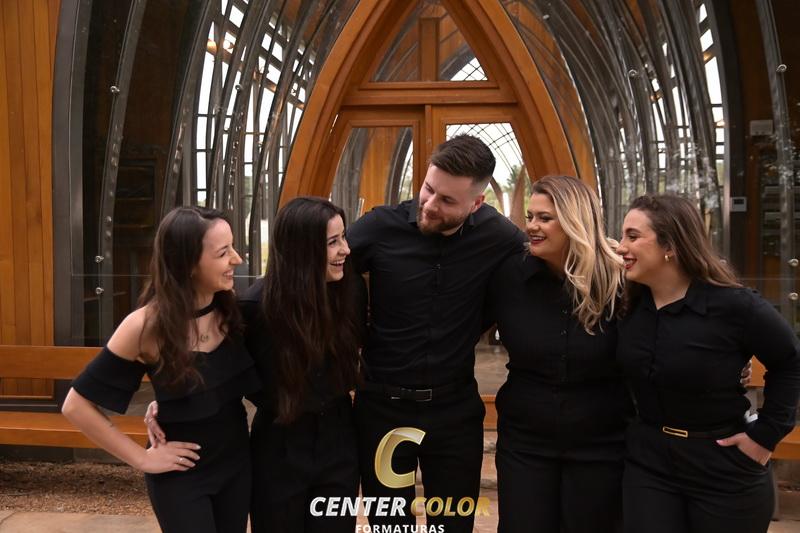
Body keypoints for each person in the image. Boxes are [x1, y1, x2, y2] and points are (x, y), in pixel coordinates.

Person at [145, 197, 365, 532]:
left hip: (339, 442)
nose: (345, 250)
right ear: (302, 250)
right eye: (333, 242)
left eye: (343, 237)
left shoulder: (351, 291)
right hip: (278, 448)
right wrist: (168, 401)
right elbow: (214, 367)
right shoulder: (253, 308)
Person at [348, 134, 526, 532]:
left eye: (447, 200)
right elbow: (317, 266)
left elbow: (545, 267)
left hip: (454, 414)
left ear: (476, 203)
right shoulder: (379, 226)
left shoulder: (500, 237)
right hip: (383, 410)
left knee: (453, 525)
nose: (429, 204)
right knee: (389, 525)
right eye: (428, 189)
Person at [62, 206, 261, 533]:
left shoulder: (233, 312)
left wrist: (170, 400)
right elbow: (75, 405)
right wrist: (142, 459)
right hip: (180, 476)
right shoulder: (145, 326)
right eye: (223, 252)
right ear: (188, 264)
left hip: (237, 466)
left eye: (233, 247)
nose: (237, 259)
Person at [616, 194, 800, 533]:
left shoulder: (734, 305)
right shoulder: (629, 305)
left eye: (633, 236)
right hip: (648, 465)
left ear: (670, 245)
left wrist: (765, 436)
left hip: (723, 467)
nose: (621, 247)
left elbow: (790, 361)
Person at [486, 175, 629, 533]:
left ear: (575, 222)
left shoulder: (621, 282)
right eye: (530, 216)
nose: (531, 226)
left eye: (545, 218)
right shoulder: (509, 277)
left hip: (603, 445)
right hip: (525, 444)